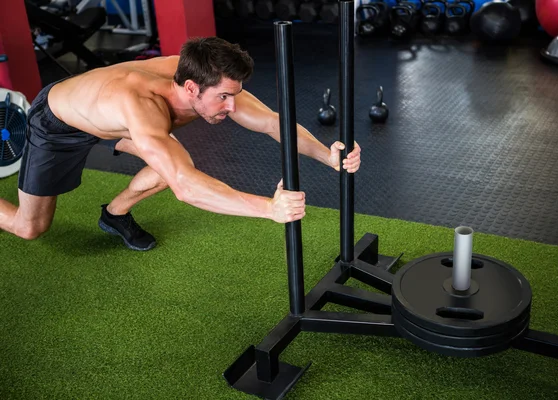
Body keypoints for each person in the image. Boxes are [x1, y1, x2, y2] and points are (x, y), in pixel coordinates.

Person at [0, 36, 361, 251]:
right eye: (223, 98)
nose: (232, 107)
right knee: (30, 228)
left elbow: (271, 123)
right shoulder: (143, 105)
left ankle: (114, 214)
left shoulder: (199, 76)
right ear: (191, 89)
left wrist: (327, 156)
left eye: (234, 95)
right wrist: (269, 208)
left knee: (167, 167)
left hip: (111, 119)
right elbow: (187, 189)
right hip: (58, 124)